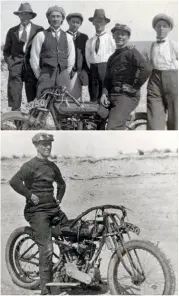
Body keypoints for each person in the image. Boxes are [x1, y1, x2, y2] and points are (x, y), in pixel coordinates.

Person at [9, 133, 68, 295]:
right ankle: (45, 289)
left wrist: (58, 199)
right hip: (36, 212)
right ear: (36, 146)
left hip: (53, 209)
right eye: (43, 144)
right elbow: (14, 181)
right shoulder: (30, 165)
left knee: (73, 233)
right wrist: (29, 195)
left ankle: (70, 273)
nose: (47, 147)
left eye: (49, 144)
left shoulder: (52, 167)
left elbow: (62, 185)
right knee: (47, 247)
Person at [100, 23, 150, 130]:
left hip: (126, 97)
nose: (120, 37)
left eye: (123, 34)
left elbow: (146, 69)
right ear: (113, 36)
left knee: (113, 128)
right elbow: (107, 79)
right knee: (94, 118)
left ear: (128, 37)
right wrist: (104, 94)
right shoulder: (112, 57)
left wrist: (134, 87)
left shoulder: (131, 52)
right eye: (117, 34)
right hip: (112, 96)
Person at [3, 3, 44, 111]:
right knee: (14, 97)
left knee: (33, 98)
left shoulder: (39, 30)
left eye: (27, 14)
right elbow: (6, 51)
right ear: (19, 16)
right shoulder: (12, 31)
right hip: (15, 69)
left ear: (31, 16)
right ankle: (18, 123)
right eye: (22, 14)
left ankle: (32, 122)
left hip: (32, 68)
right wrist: (11, 64)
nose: (24, 17)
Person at [30, 6, 75, 98]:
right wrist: (40, 75)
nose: (55, 19)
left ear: (62, 19)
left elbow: (71, 57)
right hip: (46, 74)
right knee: (43, 101)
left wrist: (65, 73)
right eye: (53, 16)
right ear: (49, 18)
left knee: (63, 102)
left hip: (63, 74)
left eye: (58, 16)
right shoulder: (41, 35)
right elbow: (34, 57)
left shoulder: (68, 37)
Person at [147, 14, 178, 130]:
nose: (161, 29)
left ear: (169, 29)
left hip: (173, 81)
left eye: (164, 26)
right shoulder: (152, 46)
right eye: (158, 26)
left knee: (175, 119)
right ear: (154, 28)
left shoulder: (174, 45)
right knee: (154, 119)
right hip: (155, 81)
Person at [85, 9, 116, 102]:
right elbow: (87, 57)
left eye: (101, 21)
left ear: (105, 23)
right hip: (93, 68)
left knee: (105, 94)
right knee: (94, 95)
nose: (98, 24)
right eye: (96, 21)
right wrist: (93, 67)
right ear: (93, 23)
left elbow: (115, 54)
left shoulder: (110, 38)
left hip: (106, 68)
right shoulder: (90, 40)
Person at [66, 13, 89, 99]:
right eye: (73, 22)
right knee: (66, 94)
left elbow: (86, 55)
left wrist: (84, 71)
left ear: (80, 24)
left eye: (77, 22)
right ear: (68, 22)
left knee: (78, 96)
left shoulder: (84, 37)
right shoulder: (63, 35)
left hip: (79, 71)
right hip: (67, 71)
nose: (75, 24)